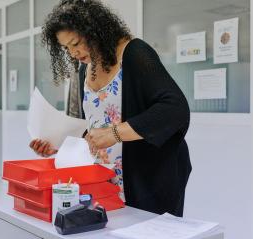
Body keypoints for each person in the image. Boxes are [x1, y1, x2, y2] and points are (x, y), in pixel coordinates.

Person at [29, 0, 191, 217]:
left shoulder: (134, 53)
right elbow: (95, 127)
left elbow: (174, 108)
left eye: (76, 43)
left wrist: (115, 133)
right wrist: (58, 147)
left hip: (147, 176)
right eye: (66, 48)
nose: (73, 53)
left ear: (94, 30)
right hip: (103, 177)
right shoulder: (84, 70)